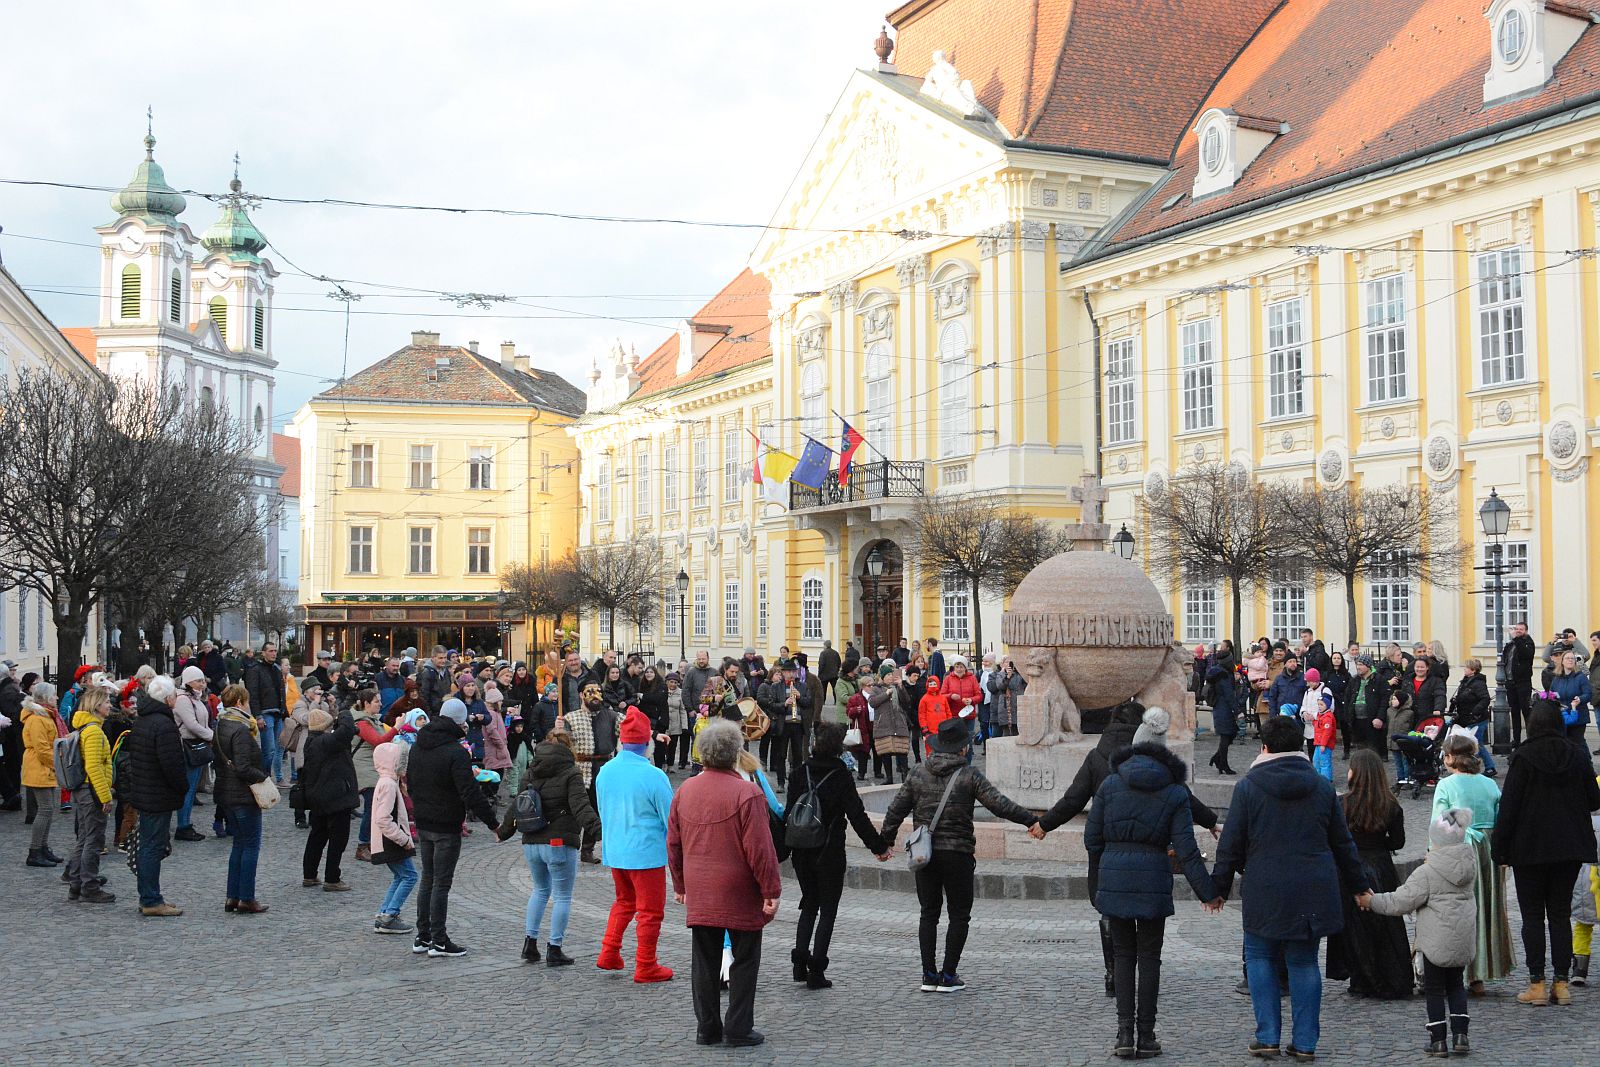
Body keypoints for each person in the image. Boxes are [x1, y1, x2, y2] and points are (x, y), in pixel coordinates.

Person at [1211, 716, 1370, 1059]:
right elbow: (1343, 844)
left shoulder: (1249, 787)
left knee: (1259, 956)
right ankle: (1305, 1043)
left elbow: (1231, 844)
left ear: (1264, 747)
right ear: (1301, 745)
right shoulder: (1322, 787)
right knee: (1303, 961)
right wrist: (1359, 887)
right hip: (1313, 884)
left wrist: (1218, 888)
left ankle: (1267, 1035)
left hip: (1264, 883)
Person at [1086, 727, 1221, 1058]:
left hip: (1115, 876)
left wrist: (1103, 873)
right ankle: (1146, 1036)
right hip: (1153, 878)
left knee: (1122, 956)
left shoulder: (1110, 783)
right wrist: (1209, 892)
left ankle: (1123, 1035)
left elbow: (1091, 839)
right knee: (1149, 957)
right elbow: (1187, 850)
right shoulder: (1174, 791)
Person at [881, 716, 1039, 992]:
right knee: (959, 914)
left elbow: (895, 810)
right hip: (958, 853)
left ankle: (929, 975)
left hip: (924, 854)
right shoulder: (969, 775)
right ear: (963, 749)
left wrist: (883, 843)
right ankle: (949, 975)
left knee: (928, 913)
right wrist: (1031, 821)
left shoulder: (918, 772)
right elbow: (999, 805)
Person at [668, 719, 783, 1048]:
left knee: (704, 961)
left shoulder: (685, 791)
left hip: (701, 888)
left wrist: (680, 884)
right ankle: (738, 1027)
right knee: (745, 959)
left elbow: (673, 843)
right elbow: (761, 850)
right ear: (735, 753)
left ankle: (707, 1028)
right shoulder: (747, 793)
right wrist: (771, 890)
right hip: (739, 889)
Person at [1490, 698, 1600, 1005]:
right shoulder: (1576, 755)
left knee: (1533, 916)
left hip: (1530, 848)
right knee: (1561, 915)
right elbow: (1594, 800)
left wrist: (1499, 850)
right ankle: (1561, 984)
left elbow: (1508, 809)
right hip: (1569, 848)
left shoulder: (1523, 757)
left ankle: (1536, 983)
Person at [1364, 809, 1480, 1057]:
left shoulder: (1427, 873)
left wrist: (1372, 901)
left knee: (1435, 989)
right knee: (1457, 986)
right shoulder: (1469, 865)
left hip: (1435, 942)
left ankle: (1438, 1039)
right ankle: (1461, 1036)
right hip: (1462, 939)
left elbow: (1400, 901)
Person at [790, 721, 889, 989]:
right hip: (829, 850)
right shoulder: (841, 775)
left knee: (809, 903)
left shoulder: (799, 772)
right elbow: (857, 815)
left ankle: (799, 964)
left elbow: (789, 812)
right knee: (828, 910)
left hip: (801, 850)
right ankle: (816, 971)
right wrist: (879, 847)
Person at [406, 697, 499, 957]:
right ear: (459, 722)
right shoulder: (456, 752)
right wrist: (493, 824)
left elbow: (410, 781)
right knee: (441, 883)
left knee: (428, 878)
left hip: (424, 821)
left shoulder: (418, 746)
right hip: (446, 823)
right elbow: (470, 793)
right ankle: (438, 939)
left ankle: (423, 936)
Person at [498, 726, 599, 964]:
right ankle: (554, 948)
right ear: (568, 747)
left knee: (540, 891)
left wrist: (504, 831)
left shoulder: (531, 770)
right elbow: (581, 807)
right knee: (563, 896)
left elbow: (516, 805)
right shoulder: (570, 772)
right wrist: (602, 831)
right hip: (558, 842)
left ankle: (529, 944)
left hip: (532, 841)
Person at [592, 708, 676, 982]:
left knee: (624, 902)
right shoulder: (653, 776)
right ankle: (646, 964)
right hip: (646, 854)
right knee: (650, 911)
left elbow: (603, 810)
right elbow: (671, 819)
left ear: (622, 742)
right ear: (647, 743)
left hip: (616, 850)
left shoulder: (605, 771)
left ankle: (609, 952)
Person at [1324, 750, 1412, 999]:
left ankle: (1362, 978)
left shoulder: (1342, 803)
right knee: (1386, 923)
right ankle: (1391, 974)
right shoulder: (1391, 805)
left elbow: (1333, 839)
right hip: (1381, 867)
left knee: (1355, 926)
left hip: (1349, 867)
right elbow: (1398, 842)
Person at [1430, 732, 1513, 992]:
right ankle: (1479, 975)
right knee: (1486, 908)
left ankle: (1459, 972)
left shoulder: (1447, 785)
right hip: (1488, 851)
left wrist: (1432, 854)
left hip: (1459, 850)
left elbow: (1440, 825)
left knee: (1456, 910)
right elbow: (1501, 820)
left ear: (1452, 758)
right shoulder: (1489, 784)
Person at [125, 675, 190, 916]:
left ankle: (150, 896)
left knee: (149, 845)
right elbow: (172, 764)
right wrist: (182, 787)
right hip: (157, 793)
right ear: (167, 697)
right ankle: (151, 899)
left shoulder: (144, 719)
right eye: (173, 693)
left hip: (146, 790)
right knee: (152, 846)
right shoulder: (163, 724)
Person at [212, 684, 268, 914]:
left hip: (225, 792)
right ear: (239, 703)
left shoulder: (221, 724)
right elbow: (244, 767)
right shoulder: (241, 730)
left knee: (238, 845)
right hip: (243, 794)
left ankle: (232, 896)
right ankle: (246, 897)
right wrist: (263, 777)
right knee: (250, 845)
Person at [63, 684, 115, 902]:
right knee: (93, 840)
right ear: (96, 706)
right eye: (106, 702)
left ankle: (77, 883)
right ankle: (89, 886)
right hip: (91, 790)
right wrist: (105, 797)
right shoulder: (93, 731)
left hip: (84, 790)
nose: (110, 706)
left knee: (84, 838)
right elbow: (93, 767)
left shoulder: (84, 728)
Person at [300, 705, 359, 892]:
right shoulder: (326, 742)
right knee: (338, 839)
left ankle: (309, 875)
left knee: (317, 836)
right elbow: (348, 729)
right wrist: (343, 712)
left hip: (317, 796)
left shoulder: (311, 742)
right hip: (336, 797)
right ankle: (332, 878)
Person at [20, 681, 64, 868]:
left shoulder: (45, 715)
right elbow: (42, 749)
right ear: (46, 698)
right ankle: (35, 850)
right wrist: (57, 764)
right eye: (54, 695)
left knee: (48, 809)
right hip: (39, 768)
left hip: (42, 767)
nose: (57, 697)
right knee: (45, 809)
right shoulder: (38, 718)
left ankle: (42, 847)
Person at [350, 688, 396, 862]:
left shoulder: (372, 720)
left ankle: (373, 843)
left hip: (374, 768)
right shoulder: (361, 723)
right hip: (364, 769)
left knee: (377, 807)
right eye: (377, 701)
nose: (381, 704)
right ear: (366, 704)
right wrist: (397, 728)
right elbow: (378, 742)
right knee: (373, 808)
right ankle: (363, 845)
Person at [172, 666, 215, 843]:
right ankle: (183, 825)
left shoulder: (195, 698)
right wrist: (212, 736)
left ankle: (186, 823)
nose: (202, 684)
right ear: (188, 682)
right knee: (187, 789)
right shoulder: (183, 700)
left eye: (203, 680)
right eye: (199, 681)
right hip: (187, 746)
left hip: (197, 744)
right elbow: (192, 724)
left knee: (191, 786)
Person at [1449, 659, 1496, 776]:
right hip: (1468, 718)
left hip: (1477, 719)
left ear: (1473, 670)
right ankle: (1474, 765)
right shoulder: (1466, 682)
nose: (1464, 669)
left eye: (1466, 667)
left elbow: (1485, 699)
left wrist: (1475, 711)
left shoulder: (1478, 683)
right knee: (1474, 744)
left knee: (1477, 744)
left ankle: (1489, 767)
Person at [867, 669, 910, 785]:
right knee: (885, 753)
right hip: (883, 726)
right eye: (888, 675)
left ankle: (904, 777)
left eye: (892, 674)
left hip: (898, 725)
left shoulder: (897, 688)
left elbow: (906, 702)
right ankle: (889, 778)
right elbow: (872, 702)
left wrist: (901, 687)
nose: (891, 677)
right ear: (883, 677)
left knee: (902, 752)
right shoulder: (876, 689)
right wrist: (886, 694)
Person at [1206, 642, 1240, 774]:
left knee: (1229, 734)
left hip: (1220, 707)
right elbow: (1228, 694)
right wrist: (1237, 710)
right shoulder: (1223, 674)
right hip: (1223, 708)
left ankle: (1217, 759)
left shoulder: (1219, 671)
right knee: (1226, 736)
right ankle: (1223, 764)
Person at [1503, 621, 1536, 747]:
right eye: (1516, 629)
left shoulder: (1528, 643)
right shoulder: (1512, 644)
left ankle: (1530, 739)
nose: (1518, 631)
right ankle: (1516, 740)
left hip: (1523, 683)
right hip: (1511, 683)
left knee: (1526, 712)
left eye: (1521, 629)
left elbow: (1525, 655)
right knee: (1514, 713)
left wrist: (1516, 638)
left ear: (1526, 631)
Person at [1549, 650, 1592, 745]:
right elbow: (1551, 695)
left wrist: (1580, 699)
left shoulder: (1581, 677)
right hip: (1561, 717)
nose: (1570, 660)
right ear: (1562, 661)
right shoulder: (1557, 678)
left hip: (1578, 717)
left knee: (1577, 743)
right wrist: (1550, 697)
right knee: (1564, 744)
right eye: (1567, 658)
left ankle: (1586, 759)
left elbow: (1588, 694)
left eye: (1572, 658)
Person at [637, 666, 672, 770]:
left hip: (659, 720)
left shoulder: (661, 685)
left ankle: (659, 767)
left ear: (655, 673)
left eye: (651, 672)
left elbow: (659, 699)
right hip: (646, 719)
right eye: (647, 672)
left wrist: (643, 696)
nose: (648, 674)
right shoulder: (642, 685)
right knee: (645, 745)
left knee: (659, 747)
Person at [985, 656, 1025, 739]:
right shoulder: (996, 675)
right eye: (1007, 662)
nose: (1009, 664)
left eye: (1011, 662)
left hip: (1015, 709)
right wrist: (1006, 676)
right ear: (1001, 664)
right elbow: (995, 687)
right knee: (998, 736)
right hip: (1000, 710)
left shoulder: (1018, 675)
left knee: (1016, 734)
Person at [817, 639, 841, 705]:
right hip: (834, 675)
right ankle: (836, 701)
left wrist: (819, 674)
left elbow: (821, 664)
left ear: (825, 646)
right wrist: (837, 670)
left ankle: (823, 702)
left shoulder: (823, 653)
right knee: (835, 689)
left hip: (824, 675)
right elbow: (839, 662)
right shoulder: (835, 653)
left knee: (823, 689)